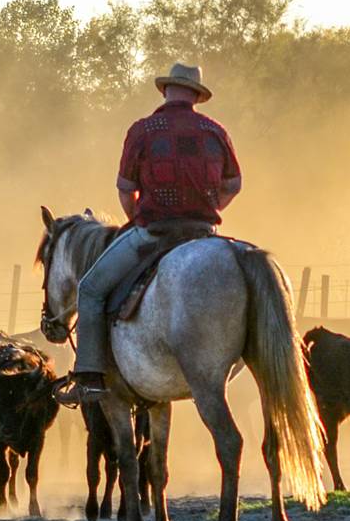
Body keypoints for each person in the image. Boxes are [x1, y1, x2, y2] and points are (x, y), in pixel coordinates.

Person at [64, 63, 241, 401]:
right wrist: (212, 207)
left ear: (165, 90)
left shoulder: (144, 130)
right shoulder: (215, 131)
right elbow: (234, 183)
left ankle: (89, 377)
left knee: (90, 289)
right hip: (203, 232)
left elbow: (125, 188)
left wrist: (136, 218)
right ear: (197, 96)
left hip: (154, 231)